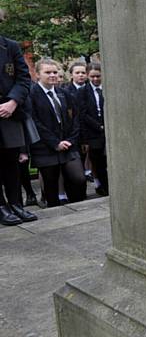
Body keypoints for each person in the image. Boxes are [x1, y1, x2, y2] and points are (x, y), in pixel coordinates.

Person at [29, 58, 87, 207]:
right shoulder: (31, 95)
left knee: (78, 179)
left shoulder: (64, 93)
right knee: (51, 187)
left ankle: (77, 209)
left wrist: (70, 140)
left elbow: (75, 118)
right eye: (47, 72)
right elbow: (34, 122)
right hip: (46, 148)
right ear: (37, 75)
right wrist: (55, 143)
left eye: (55, 72)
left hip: (68, 145)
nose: (53, 75)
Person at [0, 33, 38, 225]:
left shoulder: (11, 47)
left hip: (9, 112)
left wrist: (13, 102)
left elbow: (24, 79)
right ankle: (1, 207)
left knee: (12, 161)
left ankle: (16, 204)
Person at [79, 62, 108, 196]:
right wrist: (99, 126)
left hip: (108, 129)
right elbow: (83, 114)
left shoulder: (107, 88)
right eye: (92, 77)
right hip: (94, 132)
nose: (96, 79)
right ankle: (103, 186)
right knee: (98, 161)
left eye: (98, 76)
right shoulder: (83, 92)